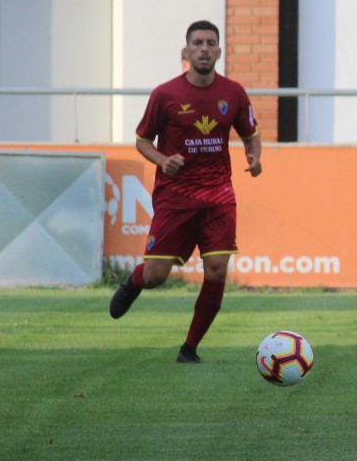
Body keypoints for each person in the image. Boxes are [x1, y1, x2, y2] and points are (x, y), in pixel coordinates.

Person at [109, 20, 263, 364]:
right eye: (198, 43)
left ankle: (189, 348)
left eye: (210, 43)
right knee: (156, 276)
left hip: (219, 194)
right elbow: (142, 140)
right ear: (187, 51)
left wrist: (255, 157)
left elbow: (250, 133)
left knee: (218, 270)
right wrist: (163, 160)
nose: (204, 49)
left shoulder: (233, 93)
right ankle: (134, 283)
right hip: (175, 197)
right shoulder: (165, 94)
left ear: (219, 51)